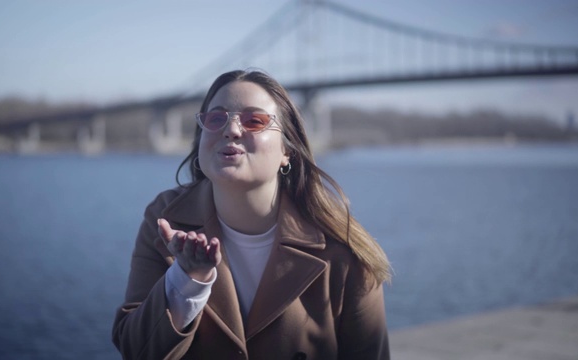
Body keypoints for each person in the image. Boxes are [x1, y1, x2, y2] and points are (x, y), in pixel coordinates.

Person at [112, 69, 391, 359]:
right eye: (216, 118)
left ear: (288, 151)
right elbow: (137, 351)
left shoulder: (343, 247)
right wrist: (187, 279)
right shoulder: (164, 219)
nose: (231, 130)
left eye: (254, 120)